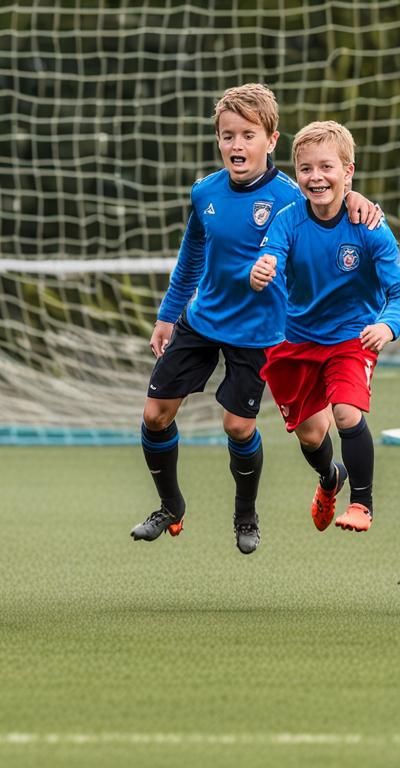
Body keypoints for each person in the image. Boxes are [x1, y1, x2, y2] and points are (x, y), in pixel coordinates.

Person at [130, 83, 380, 554]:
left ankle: (277, 500)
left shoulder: (292, 197)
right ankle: (171, 506)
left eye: (248, 135)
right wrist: (167, 315)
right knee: (154, 414)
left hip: (263, 332)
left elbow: (331, 199)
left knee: (256, 428)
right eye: (227, 136)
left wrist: (359, 200)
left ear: (271, 139)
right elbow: (190, 259)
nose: (236, 145)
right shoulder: (204, 191)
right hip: (202, 322)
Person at [250, 120, 400, 534]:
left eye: (327, 167)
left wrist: (387, 327)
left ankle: (362, 505)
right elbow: (271, 255)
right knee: (312, 435)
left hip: (352, 338)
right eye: (306, 169)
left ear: (348, 172)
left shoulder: (370, 226)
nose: (316, 177)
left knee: (347, 413)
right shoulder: (287, 219)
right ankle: (330, 479)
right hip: (297, 339)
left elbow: (399, 290)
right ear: (296, 172)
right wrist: (262, 269)